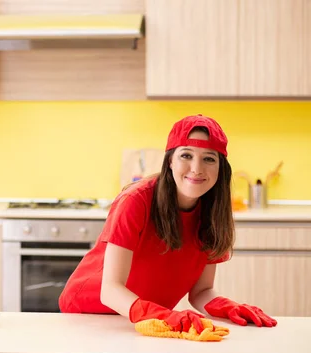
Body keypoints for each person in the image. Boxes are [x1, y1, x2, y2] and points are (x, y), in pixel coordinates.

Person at [58, 114, 277, 333]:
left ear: (221, 168)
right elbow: (111, 291)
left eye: (209, 158)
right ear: (170, 161)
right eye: (186, 155)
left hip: (147, 320)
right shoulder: (136, 201)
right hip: (90, 317)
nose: (197, 168)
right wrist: (164, 315)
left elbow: (201, 290)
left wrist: (226, 307)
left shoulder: (214, 212)